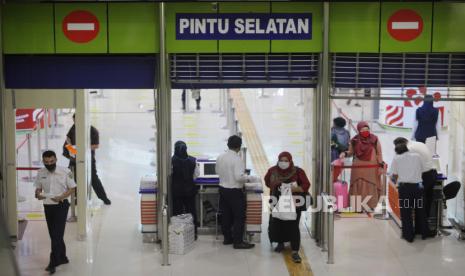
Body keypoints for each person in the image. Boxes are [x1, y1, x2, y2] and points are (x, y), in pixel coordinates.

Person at [34, 150, 76, 274]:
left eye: (52, 161)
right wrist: (37, 194)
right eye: (46, 162)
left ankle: (53, 262)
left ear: (56, 159)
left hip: (61, 205)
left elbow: (72, 188)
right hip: (48, 206)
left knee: (56, 235)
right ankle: (63, 257)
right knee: (54, 234)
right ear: (43, 162)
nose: (49, 163)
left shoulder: (65, 172)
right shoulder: (40, 173)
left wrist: (61, 196)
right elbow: (38, 188)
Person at [265, 152, 311, 263]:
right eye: (281, 160)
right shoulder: (272, 171)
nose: (283, 163)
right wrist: (277, 185)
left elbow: (306, 185)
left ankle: (295, 250)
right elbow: (267, 182)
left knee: (293, 225)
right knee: (278, 222)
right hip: (277, 201)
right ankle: (280, 243)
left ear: (290, 161)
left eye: (286, 160)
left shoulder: (298, 171)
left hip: (294, 203)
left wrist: (295, 189)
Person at [215, 135, 260, 249]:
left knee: (226, 215)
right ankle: (238, 242)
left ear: (228, 144)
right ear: (239, 147)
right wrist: (251, 178)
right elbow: (239, 177)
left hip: (223, 189)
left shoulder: (220, 157)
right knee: (239, 216)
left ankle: (227, 239)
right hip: (234, 191)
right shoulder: (237, 159)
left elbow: (217, 171)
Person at [63, 114, 111, 205]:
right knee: (74, 179)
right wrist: (71, 148)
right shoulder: (74, 127)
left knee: (93, 178)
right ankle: (76, 198)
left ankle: (103, 198)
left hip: (88, 159)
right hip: (74, 158)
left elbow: (96, 145)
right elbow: (68, 139)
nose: (75, 123)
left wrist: (81, 148)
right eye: (74, 121)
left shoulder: (92, 130)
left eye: (77, 121)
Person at [393, 137, 438, 228]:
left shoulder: (409, 149)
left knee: (418, 205)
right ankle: (424, 229)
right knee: (425, 204)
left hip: (424, 177)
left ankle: (418, 230)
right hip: (432, 174)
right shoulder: (419, 143)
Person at [339, 121, 383, 211]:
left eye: (367, 129)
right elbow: (351, 152)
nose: (365, 131)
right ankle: (357, 206)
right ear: (359, 130)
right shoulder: (354, 140)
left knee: (371, 184)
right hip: (358, 167)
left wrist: (380, 164)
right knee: (357, 185)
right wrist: (345, 153)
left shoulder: (374, 139)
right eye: (363, 130)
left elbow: (379, 153)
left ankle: (371, 205)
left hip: (371, 167)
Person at [389, 143, 428, 242]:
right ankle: (424, 233)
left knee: (406, 212)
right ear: (407, 149)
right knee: (420, 210)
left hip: (405, 189)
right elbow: (424, 169)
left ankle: (409, 236)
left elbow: (393, 175)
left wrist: (395, 182)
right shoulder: (417, 156)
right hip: (418, 188)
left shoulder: (397, 159)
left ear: (397, 151)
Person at [171, 141, 200, 238]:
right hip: (190, 191)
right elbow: (196, 176)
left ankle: (178, 234)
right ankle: (193, 234)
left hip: (176, 192)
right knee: (191, 212)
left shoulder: (171, 161)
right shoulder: (193, 160)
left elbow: (169, 176)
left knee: (177, 213)